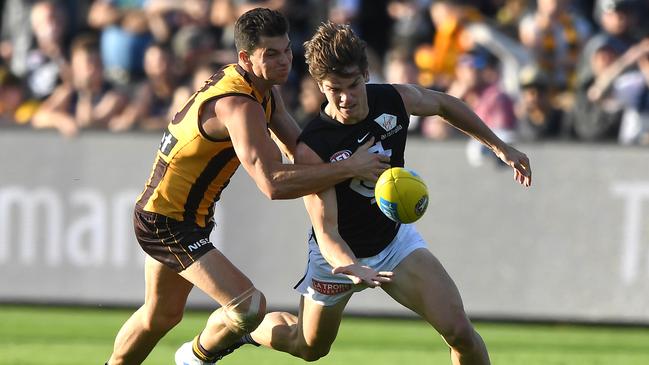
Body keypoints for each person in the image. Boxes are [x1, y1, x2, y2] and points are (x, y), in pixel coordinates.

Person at [218, 21, 532, 365]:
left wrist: (501, 147)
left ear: (366, 73)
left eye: (353, 85)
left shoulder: (393, 100)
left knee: (460, 331)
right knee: (308, 347)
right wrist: (352, 266)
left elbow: (444, 104)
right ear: (320, 86)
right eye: (333, 89)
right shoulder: (315, 146)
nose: (345, 97)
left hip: (394, 243)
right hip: (336, 258)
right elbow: (326, 231)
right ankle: (247, 329)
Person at [104, 8, 389, 365]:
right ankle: (193, 358)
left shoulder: (260, 87)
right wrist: (350, 167)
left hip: (178, 215)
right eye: (271, 54)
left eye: (286, 50)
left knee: (160, 316)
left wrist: (342, 168)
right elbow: (272, 184)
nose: (284, 60)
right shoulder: (239, 105)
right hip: (166, 221)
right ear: (245, 58)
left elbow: (297, 148)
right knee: (248, 306)